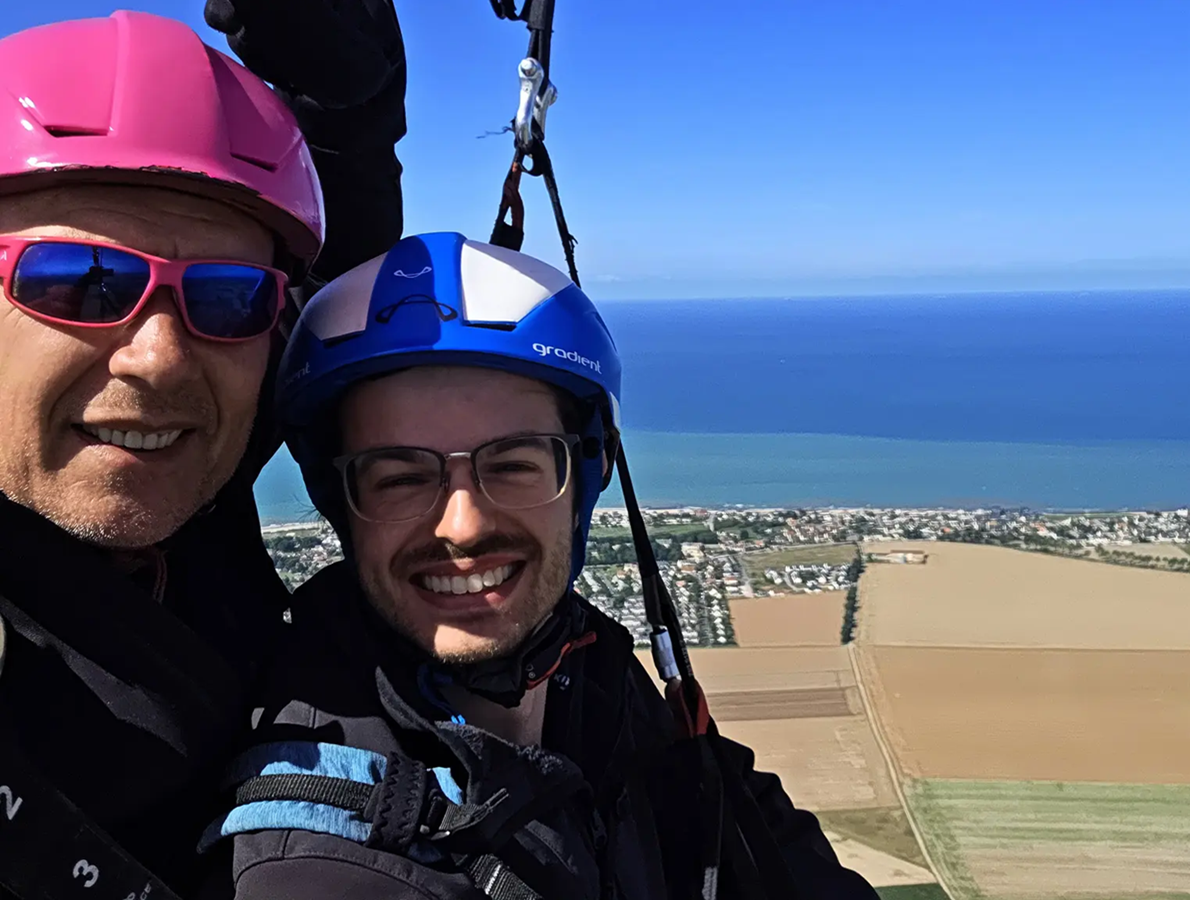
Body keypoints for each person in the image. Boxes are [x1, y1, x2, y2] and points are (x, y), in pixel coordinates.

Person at [204, 232, 879, 898]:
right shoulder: (327, 868)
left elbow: (743, 825)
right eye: (400, 477)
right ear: (340, 503)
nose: (462, 526)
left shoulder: (587, 671)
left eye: (514, 463)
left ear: (590, 474)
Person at [0, 7, 404, 894]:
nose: (161, 355)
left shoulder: (190, 457)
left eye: (226, 297)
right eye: (80, 282)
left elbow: (336, 281)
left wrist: (347, 110)